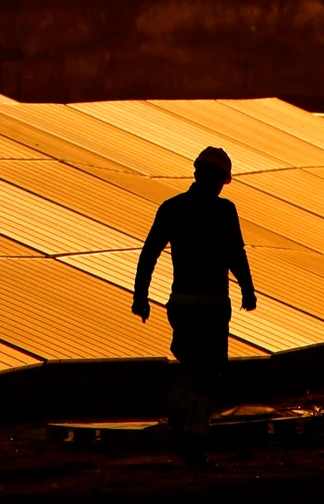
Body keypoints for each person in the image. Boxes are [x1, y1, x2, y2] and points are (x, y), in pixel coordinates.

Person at [132, 146, 256, 467]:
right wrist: (247, 289)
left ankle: (179, 410)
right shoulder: (225, 211)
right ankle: (195, 441)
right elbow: (235, 255)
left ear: (196, 172)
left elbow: (150, 253)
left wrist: (141, 295)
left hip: (182, 304)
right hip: (214, 305)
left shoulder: (172, 208)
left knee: (191, 364)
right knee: (210, 373)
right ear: (218, 179)